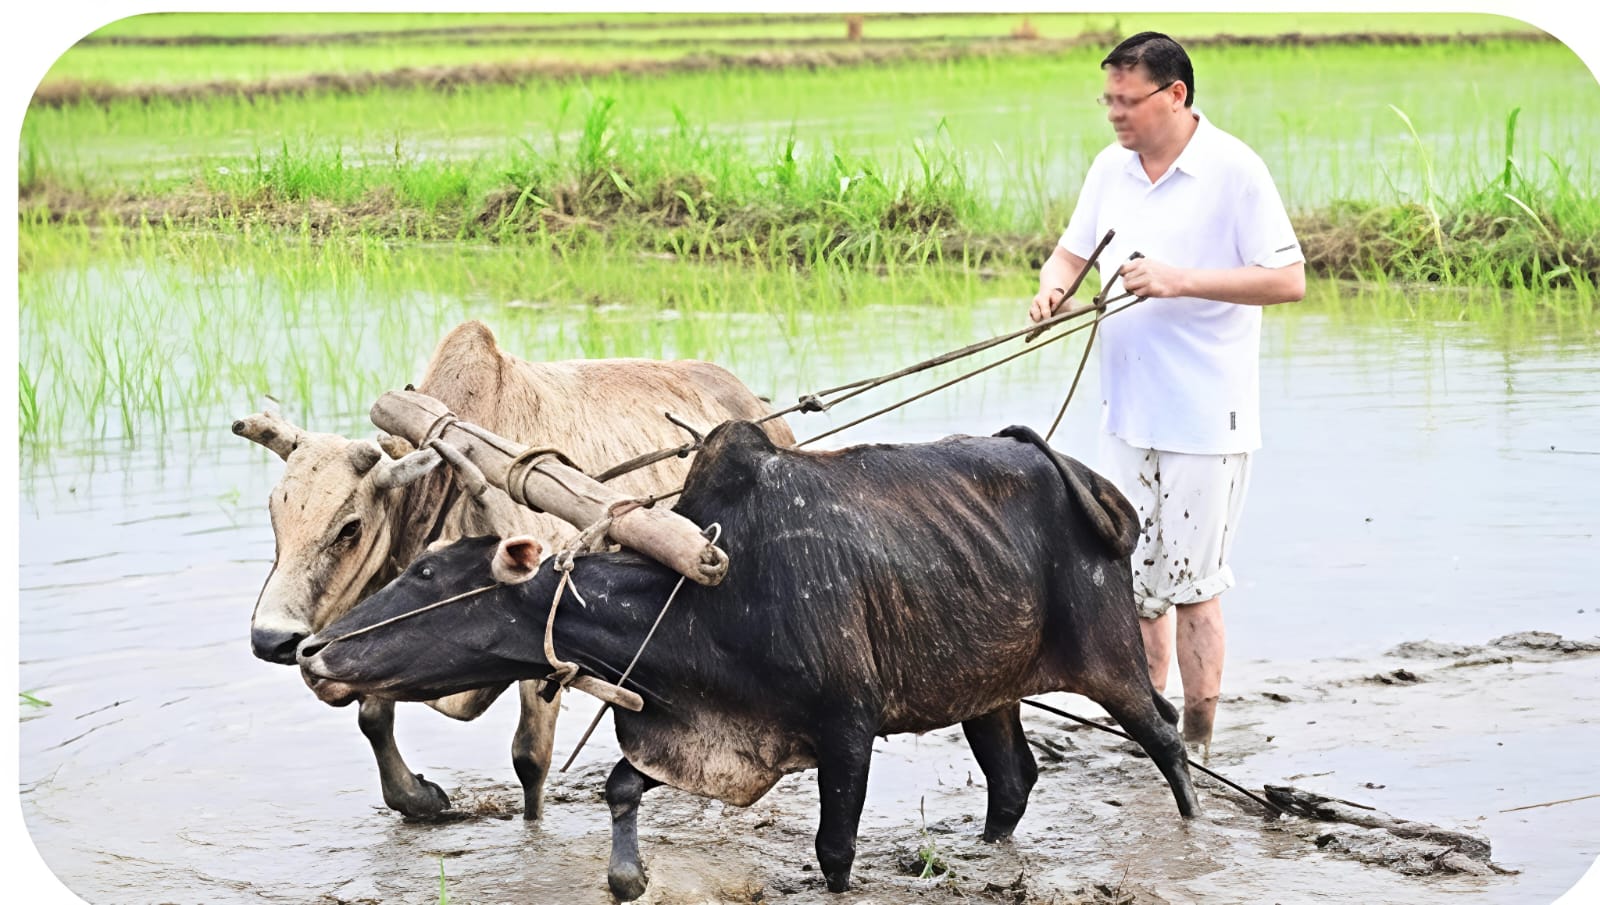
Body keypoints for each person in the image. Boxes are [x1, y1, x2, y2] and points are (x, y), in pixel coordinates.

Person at [1027, 31, 1304, 759]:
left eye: (1127, 100)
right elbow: (1072, 249)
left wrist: (1181, 278)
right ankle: (1150, 733)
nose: (1114, 114)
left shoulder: (1234, 171)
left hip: (1206, 418)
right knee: (1129, 580)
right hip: (1126, 412)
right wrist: (1053, 287)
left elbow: (1288, 279)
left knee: (1193, 585)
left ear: (1174, 95)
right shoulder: (1109, 170)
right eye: (1107, 99)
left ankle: (1204, 746)